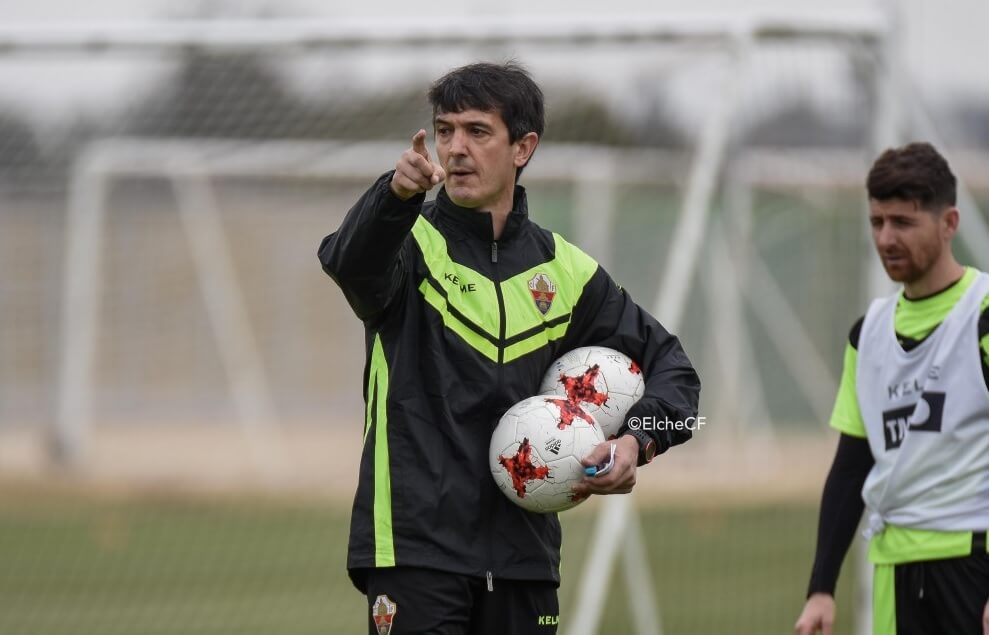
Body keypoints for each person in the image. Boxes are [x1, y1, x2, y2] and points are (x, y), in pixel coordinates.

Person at [318, 61, 700, 635]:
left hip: (526, 561)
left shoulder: (564, 271)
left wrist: (638, 444)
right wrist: (394, 196)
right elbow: (347, 264)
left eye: (477, 131)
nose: (456, 149)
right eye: (445, 131)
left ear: (523, 147)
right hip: (416, 552)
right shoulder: (408, 242)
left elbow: (682, 379)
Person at [794, 142, 989, 635]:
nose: (886, 238)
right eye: (877, 222)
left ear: (949, 224)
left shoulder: (982, 315)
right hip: (894, 566)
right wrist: (821, 587)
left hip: (974, 560)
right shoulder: (869, 335)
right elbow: (852, 463)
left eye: (903, 222)